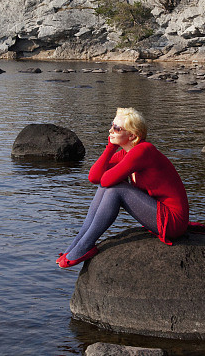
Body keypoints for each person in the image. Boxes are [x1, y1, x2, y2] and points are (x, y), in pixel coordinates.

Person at [57, 107, 190, 268]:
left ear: (132, 135)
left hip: (172, 221)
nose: (110, 130)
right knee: (108, 186)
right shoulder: (125, 153)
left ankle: (85, 246)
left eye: (116, 128)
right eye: (112, 125)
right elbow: (94, 177)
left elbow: (106, 181)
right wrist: (110, 148)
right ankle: (77, 245)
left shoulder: (143, 150)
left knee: (115, 187)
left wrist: (111, 151)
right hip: (157, 213)